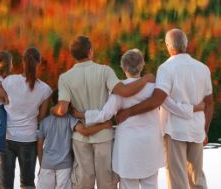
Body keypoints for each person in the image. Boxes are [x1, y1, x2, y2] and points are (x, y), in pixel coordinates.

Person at [76, 49, 205, 189]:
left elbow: (104, 115)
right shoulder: (154, 87)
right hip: (150, 145)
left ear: (123, 67)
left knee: (127, 185)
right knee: (150, 185)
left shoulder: (119, 90)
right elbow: (174, 107)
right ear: (142, 66)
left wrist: (81, 115)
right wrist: (196, 108)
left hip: (127, 146)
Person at [51, 36, 154, 189]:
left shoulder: (65, 78)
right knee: (107, 181)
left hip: (80, 139)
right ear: (90, 51)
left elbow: (62, 110)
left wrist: (53, 109)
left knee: (83, 180)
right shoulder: (105, 71)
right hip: (104, 135)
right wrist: (145, 79)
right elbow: (124, 92)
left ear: (72, 55)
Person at [116, 29, 214, 189]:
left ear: (168, 46)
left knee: (177, 181)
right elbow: (209, 103)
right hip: (197, 130)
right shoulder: (202, 68)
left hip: (174, 131)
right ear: (186, 44)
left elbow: (157, 100)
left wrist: (129, 112)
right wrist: (205, 130)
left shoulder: (166, 68)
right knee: (197, 179)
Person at [0, 47, 53, 189]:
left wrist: (4, 98)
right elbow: (41, 118)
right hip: (29, 140)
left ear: (23, 61)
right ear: (38, 62)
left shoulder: (8, 81)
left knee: (5, 184)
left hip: (6, 139)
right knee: (27, 183)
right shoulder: (45, 89)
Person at [37, 90, 113, 189]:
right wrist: (104, 126)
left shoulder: (45, 121)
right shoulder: (70, 119)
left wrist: (41, 164)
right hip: (64, 165)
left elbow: (39, 145)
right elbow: (85, 132)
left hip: (47, 164)